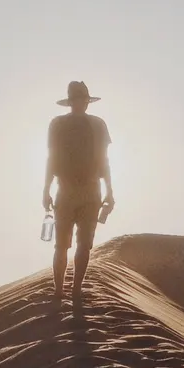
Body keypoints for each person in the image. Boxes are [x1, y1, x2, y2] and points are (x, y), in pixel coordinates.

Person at [43, 79, 115, 307]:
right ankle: (58, 290)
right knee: (61, 245)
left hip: (92, 190)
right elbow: (51, 158)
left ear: (86, 101)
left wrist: (110, 192)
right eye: (76, 98)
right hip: (64, 189)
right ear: (70, 101)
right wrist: (45, 189)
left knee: (85, 243)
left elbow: (104, 160)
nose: (80, 102)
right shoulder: (57, 124)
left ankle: (75, 291)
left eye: (83, 98)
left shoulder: (98, 125)